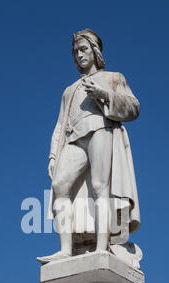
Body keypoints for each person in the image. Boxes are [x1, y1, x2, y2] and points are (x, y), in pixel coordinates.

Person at [38, 29, 140, 264]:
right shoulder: (69, 90)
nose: (79, 55)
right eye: (75, 52)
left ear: (95, 51)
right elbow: (59, 125)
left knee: (99, 186)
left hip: (100, 128)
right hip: (74, 138)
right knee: (60, 186)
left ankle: (102, 248)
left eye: (83, 49)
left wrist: (105, 95)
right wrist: (53, 156)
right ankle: (65, 250)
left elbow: (133, 108)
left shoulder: (114, 78)